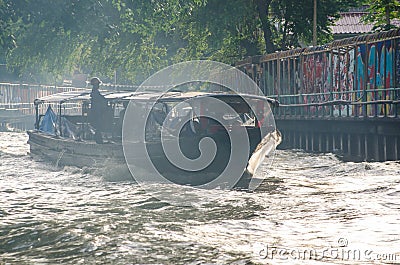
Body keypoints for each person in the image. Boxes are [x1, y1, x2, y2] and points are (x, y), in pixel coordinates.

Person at [89, 77, 108, 143]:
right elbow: (100, 100)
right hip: (97, 112)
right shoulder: (95, 93)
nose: (98, 86)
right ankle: (98, 138)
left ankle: (98, 138)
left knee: (98, 126)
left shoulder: (95, 92)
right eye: (97, 84)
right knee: (98, 125)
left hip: (97, 112)